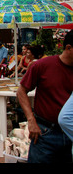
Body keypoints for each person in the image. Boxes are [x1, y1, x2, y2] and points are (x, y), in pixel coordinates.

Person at [17, 30, 73, 163]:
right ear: (68, 48)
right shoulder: (42, 65)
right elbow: (21, 91)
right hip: (45, 132)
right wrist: (31, 121)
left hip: (70, 134)